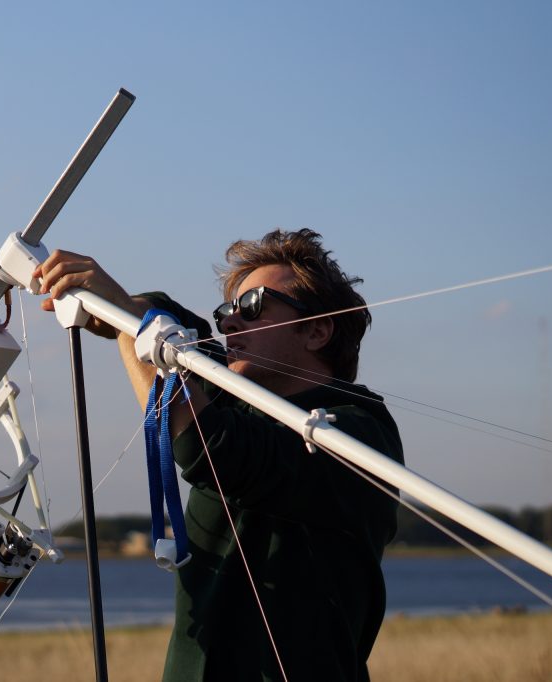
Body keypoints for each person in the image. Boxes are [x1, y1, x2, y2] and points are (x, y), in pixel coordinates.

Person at [34, 228, 403, 681]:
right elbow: (176, 325)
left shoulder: (360, 432)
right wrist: (124, 309)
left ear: (317, 329)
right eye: (227, 310)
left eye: (252, 307)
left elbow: (210, 450)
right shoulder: (232, 397)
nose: (230, 323)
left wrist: (138, 329)